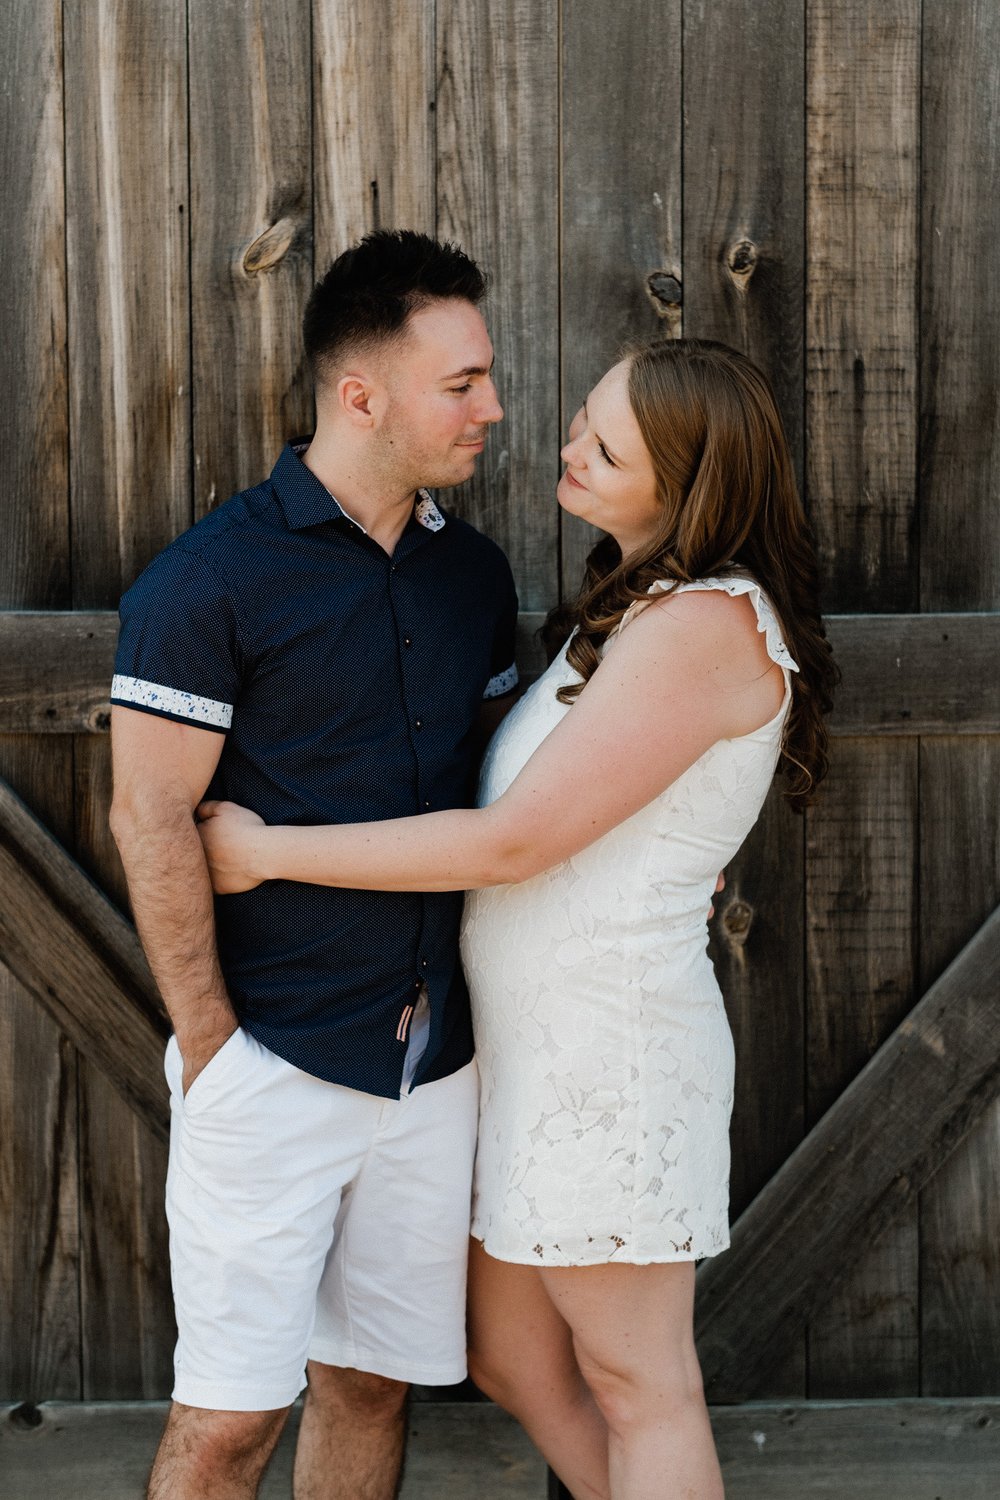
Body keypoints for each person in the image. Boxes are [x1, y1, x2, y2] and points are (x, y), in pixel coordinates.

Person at [197, 337, 838, 1500]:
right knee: (509, 1355)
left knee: (644, 1385)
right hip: (534, 1061)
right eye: (583, 420)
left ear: (688, 481)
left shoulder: (703, 623)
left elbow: (514, 841)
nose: (567, 447)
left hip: (614, 1057)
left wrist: (266, 850)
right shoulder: (638, 610)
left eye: (607, 445)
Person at [109, 229, 519, 1500]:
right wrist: (212, 1046)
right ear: (362, 396)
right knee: (230, 1426)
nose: (492, 407)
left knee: (370, 1386)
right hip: (271, 1060)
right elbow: (150, 820)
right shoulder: (211, 580)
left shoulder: (472, 573)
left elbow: (502, 797)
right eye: (462, 384)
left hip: (431, 1065)